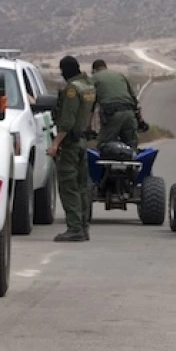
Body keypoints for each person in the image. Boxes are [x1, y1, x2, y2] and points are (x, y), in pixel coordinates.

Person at [48, 55, 96, 242]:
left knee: (68, 187)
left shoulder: (72, 89)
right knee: (82, 186)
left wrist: (55, 144)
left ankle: (75, 228)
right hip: (82, 140)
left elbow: (66, 121)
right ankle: (83, 227)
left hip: (70, 144)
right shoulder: (88, 86)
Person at [90, 59, 141, 150]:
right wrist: (139, 120)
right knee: (131, 147)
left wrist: (87, 128)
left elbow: (90, 105)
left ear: (94, 70)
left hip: (112, 114)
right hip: (129, 113)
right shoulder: (119, 75)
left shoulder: (93, 79)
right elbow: (134, 99)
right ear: (105, 67)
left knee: (105, 146)